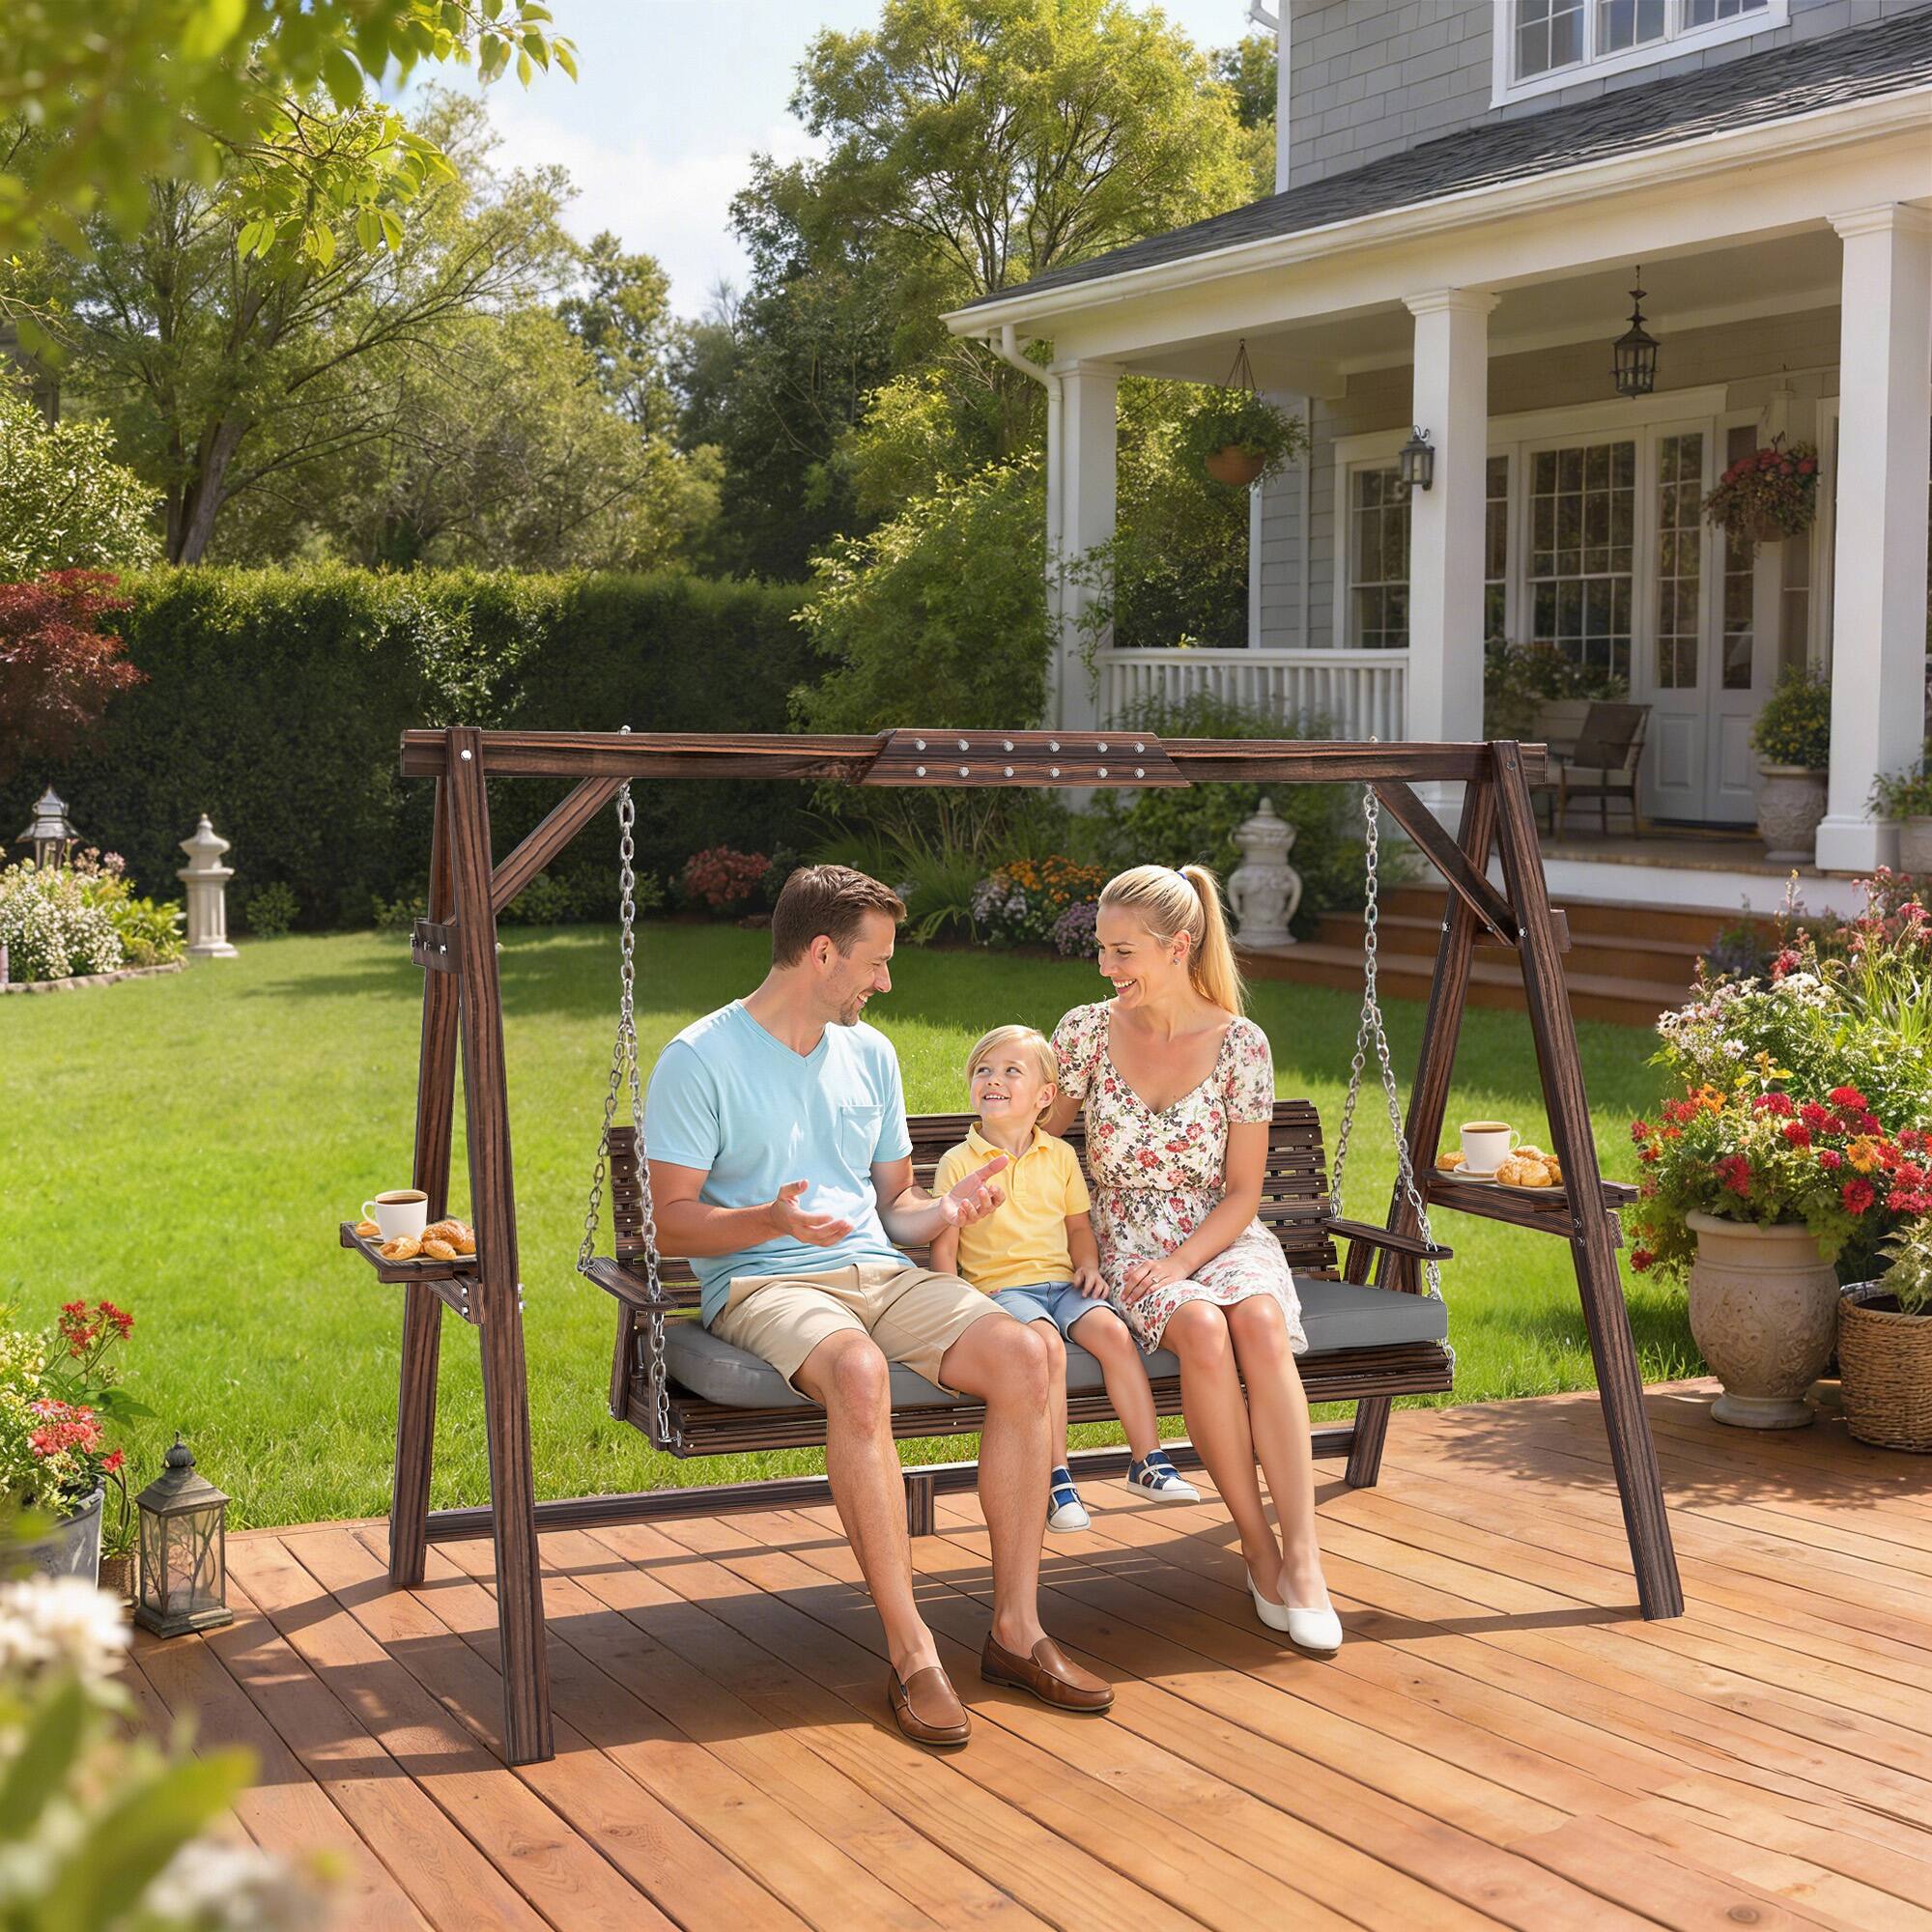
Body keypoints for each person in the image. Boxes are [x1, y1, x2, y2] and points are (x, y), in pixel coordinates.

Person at [643, 866, 1114, 1747]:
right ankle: (913, 1652)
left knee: (1023, 1355)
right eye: (876, 962)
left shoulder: (872, 1053)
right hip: (763, 1282)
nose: (885, 981)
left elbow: (895, 1211)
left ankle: (1016, 1631)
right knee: (859, 1374)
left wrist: (949, 1211)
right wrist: (766, 1219)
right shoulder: (699, 1060)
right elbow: (671, 1224)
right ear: (822, 953)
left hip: (874, 1272)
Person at [1044, 864, 1343, 1656]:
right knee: (1205, 1332)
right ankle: (1257, 1544)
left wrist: (1186, 1257)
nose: (1108, 970)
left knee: (1260, 1319)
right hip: (1128, 1246)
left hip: (1218, 1233)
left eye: (1123, 952)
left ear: (1179, 946)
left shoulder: (1241, 1044)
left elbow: (1244, 1192)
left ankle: (1305, 1557)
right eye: (1102, 952)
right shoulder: (1084, 1033)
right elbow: (1036, 1142)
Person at [929, 1024, 1201, 1534]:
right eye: (983, 1070)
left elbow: (1078, 1226)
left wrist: (1089, 1266)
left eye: (1012, 1071)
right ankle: (1056, 1479)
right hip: (1001, 1291)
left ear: (1045, 1096)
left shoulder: (1059, 1157)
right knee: (1048, 1348)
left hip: (1065, 1285)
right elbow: (944, 1245)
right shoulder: (959, 1163)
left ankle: (1148, 1460)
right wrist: (952, 1307)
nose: (993, 1079)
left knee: (1115, 1335)